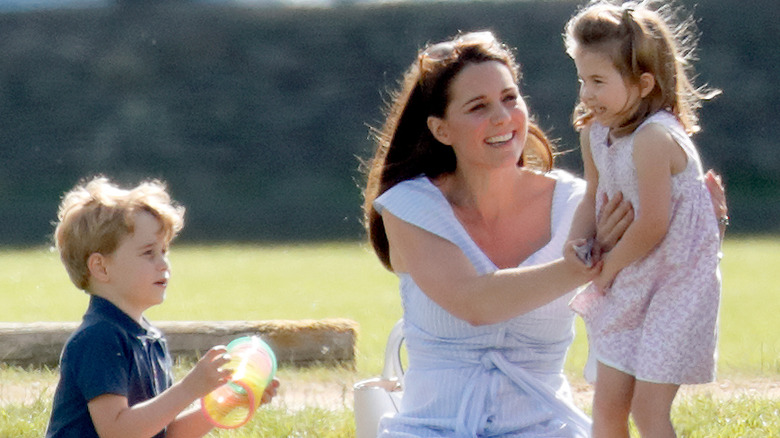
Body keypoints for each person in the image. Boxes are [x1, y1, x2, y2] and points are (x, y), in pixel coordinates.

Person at [563, 1, 724, 436]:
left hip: (676, 284)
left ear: (643, 83)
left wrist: (606, 270)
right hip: (631, 279)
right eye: (582, 80)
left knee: (648, 410)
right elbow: (592, 195)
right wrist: (575, 246)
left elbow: (654, 225)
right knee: (608, 407)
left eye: (598, 81)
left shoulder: (655, 137)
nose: (586, 93)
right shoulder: (594, 131)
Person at [46, 176, 279, 438]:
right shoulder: (98, 338)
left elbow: (163, 432)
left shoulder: (151, 340)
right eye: (148, 253)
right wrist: (189, 389)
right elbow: (118, 431)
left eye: (164, 251)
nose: (163, 264)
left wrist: (227, 402)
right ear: (101, 267)